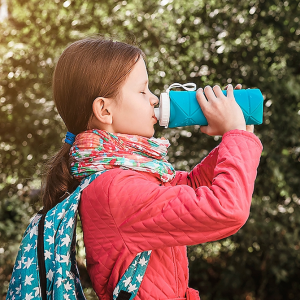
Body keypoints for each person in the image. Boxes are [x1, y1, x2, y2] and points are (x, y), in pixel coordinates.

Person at [42, 36, 263, 300]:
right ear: (104, 110)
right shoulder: (114, 189)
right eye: (143, 91)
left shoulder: (127, 175)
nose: (155, 99)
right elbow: (227, 209)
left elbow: (192, 188)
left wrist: (236, 135)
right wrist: (235, 135)